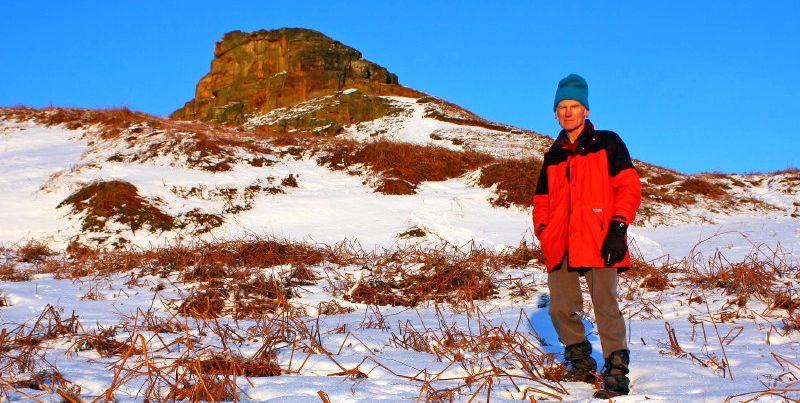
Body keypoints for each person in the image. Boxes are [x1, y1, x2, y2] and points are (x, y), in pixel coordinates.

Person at [533, 73, 642, 398]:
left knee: (606, 306)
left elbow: (628, 187)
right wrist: (544, 231)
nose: (568, 112)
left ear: (586, 111)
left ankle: (616, 369)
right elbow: (541, 201)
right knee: (559, 308)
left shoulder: (608, 143)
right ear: (556, 112)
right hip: (562, 242)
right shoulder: (553, 155)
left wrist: (618, 228)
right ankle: (580, 360)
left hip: (600, 238)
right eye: (562, 106)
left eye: (574, 106)